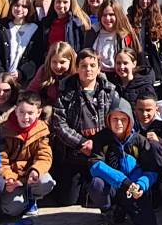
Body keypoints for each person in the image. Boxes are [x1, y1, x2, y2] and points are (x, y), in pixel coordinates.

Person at [52, 50, 124, 205]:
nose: (88, 69)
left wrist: (96, 143)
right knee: (67, 200)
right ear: (77, 68)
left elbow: (114, 121)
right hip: (74, 151)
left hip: (100, 152)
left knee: (95, 194)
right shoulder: (66, 91)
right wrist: (81, 142)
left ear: (99, 69)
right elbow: (60, 124)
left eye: (93, 65)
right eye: (83, 66)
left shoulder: (109, 91)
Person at [87, 108, 162, 225]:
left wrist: (141, 185)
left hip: (133, 189)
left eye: (123, 119)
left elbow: (151, 171)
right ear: (108, 120)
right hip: (112, 186)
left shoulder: (139, 140)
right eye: (115, 119)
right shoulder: (101, 138)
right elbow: (95, 165)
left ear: (130, 121)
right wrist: (123, 181)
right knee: (97, 183)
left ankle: (123, 210)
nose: (119, 124)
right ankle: (107, 212)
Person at [0, 91, 55, 225]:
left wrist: (36, 170)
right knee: (12, 209)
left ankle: (32, 198)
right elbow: (1, 159)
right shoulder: (4, 130)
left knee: (46, 182)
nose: (25, 117)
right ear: (15, 110)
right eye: (21, 112)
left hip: (30, 175)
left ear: (38, 113)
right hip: (13, 176)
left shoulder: (42, 130)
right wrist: (9, 177)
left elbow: (44, 156)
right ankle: (11, 199)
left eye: (30, 113)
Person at [21, 0, 93, 77]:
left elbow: (83, 48)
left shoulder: (78, 24)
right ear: (53, 3)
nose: (61, 5)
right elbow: (39, 48)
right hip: (49, 67)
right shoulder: (46, 23)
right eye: (58, 2)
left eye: (65, 2)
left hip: (69, 69)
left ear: (71, 3)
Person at [0, 0, 38, 82]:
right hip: (2, 80)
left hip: (24, 82)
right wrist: (1, 76)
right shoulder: (1, 27)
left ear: (29, 9)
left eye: (24, 6)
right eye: (16, 5)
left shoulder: (35, 29)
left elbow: (36, 56)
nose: (19, 9)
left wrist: (22, 73)